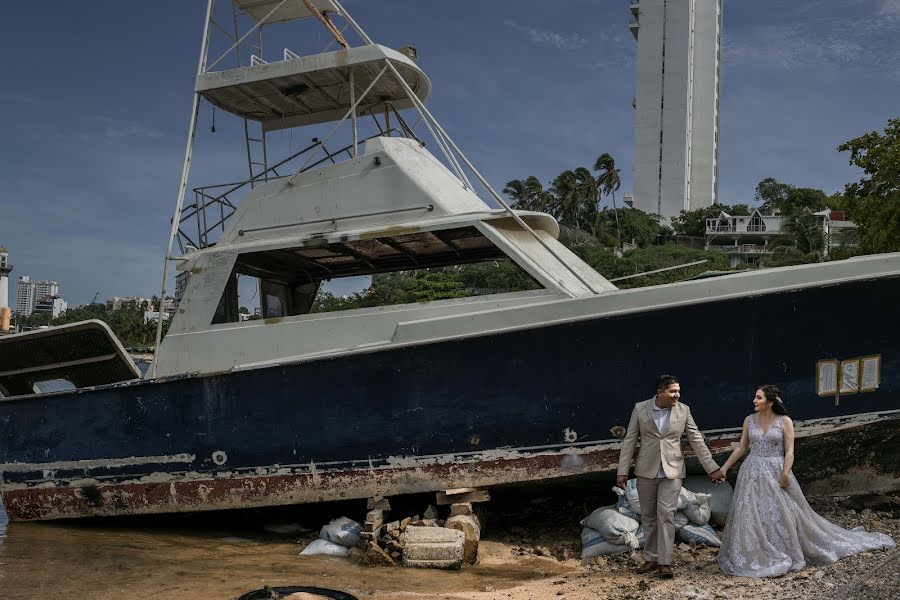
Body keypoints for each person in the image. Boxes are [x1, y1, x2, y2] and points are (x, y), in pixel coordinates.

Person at [717, 385, 895, 577]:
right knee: (751, 512)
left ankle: (785, 548)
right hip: (751, 472)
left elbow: (790, 451)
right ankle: (754, 550)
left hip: (776, 470)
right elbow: (741, 448)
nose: (754, 400)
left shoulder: (785, 421)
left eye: (758, 398)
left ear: (770, 401)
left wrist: (785, 473)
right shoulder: (749, 420)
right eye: (755, 397)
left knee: (784, 511)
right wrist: (724, 468)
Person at [616, 375, 725, 579]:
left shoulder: (683, 410)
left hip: (673, 472)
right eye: (673, 391)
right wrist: (622, 471)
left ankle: (665, 563)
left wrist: (712, 467)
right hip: (645, 471)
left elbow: (696, 440)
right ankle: (651, 558)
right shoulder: (640, 409)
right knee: (648, 516)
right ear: (660, 392)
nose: (677, 395)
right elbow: (630, 440)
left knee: (666, 515)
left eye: (678, 391)